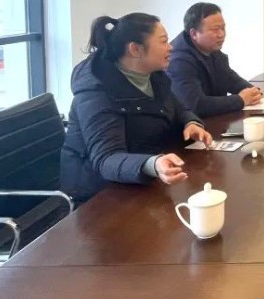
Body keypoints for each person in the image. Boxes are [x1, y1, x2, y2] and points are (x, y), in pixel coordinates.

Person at [61, 13, 213, 203]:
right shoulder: (96, 90)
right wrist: (152, 164)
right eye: (163, 41)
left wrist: (190, 123)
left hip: (141, 181)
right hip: (98, 195)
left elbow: (177, 108)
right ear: (135, 49)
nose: (171, 47)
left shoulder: (153, 75)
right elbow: (106, 159)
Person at [166, 2, 262, 117]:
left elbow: (230, 78)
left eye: (223, 28)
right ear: (194, 34)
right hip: (190, 125)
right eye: (215, 29)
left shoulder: (212, 50)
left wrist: (253, 92)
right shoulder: (178, 61)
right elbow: (195, 105)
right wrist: (240, 100)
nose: (221, 34)